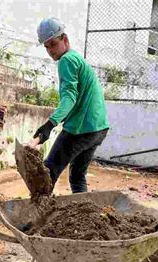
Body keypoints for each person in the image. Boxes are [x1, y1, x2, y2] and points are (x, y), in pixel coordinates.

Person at [30, 17, 110, 195]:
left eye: (52, 44)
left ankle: (35, 220)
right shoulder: (76, 59)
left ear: (65, 39)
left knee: (47, 174)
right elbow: (75, 99)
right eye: (46, 47)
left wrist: (49, 125)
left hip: (80, 130)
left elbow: (69, 98)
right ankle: (84, 218)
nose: (50, 51)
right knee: (77, 177)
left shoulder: (67, 60)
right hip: (98, 129)